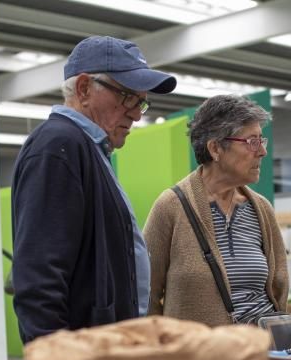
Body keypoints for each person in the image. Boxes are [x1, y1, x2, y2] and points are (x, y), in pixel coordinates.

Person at [10, 36, 176, 344]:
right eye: (127, 96)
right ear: (85, 89)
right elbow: (38, 274)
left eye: (141, 101)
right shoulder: (58, 147)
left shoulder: (88, 150)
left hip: (106, 351)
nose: (137, 113)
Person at [144, 95, 288, 327]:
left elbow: (278, 288)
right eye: (252, 141)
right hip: (200, 356)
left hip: (263, 352)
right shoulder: (171, 206)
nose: (262, 151)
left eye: (262, 140)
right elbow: (145, 293)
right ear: (215, 148)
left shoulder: (261, 209)